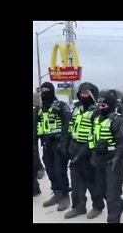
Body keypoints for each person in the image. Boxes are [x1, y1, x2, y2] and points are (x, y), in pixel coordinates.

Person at [64, 82, 105, 219]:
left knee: (92, 181)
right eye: (81, 93)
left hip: (90, 150)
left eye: (86, 93)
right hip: (74, 147)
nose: (83, 95)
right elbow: (71, 128)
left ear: (93, 94)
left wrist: (85, 151)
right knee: (76, 181)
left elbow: (96, 133)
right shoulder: (76, 109)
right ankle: (78, 206)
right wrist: (67, 146)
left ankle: (98, 206)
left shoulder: (97, 111)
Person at [90, 93, 123, 223]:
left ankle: (113, 219)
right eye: (99, 105)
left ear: (111, 106)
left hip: (114, 159)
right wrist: (93, 153)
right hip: (99, 159)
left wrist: (117, 156)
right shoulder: (97, 119)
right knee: (100, 189)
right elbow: (92, 137)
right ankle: (120, 205)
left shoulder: (119, 120)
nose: (100, 107)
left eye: (103, 105)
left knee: (112, 192)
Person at [35, 82, 72, 211]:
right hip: (46, 145)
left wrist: (63, 142)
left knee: (59, 170)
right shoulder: (39, 109)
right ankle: (57, 192)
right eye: (42, 92)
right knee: (50, 170)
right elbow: (36, 127)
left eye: (46, 91)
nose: (44, 94)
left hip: (59, 144)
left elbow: (68, 124)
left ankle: (65, 195)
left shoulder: (61, 106)